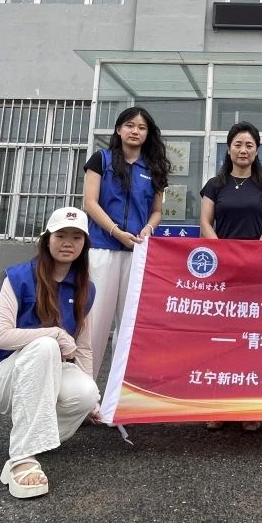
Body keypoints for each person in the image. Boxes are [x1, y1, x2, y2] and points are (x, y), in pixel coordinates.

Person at [0, 206, 101, 499]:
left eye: (76, 237)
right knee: (45, 345)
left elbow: (83, 347)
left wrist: (92, 404)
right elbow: (0, 337)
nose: (68, 243)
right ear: (47, 239)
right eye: (61, 235)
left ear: (84, 245)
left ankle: (29, 441)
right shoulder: (17, 277)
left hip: (47, 371)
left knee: (86, 393)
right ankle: (22, 459)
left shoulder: (86, 289)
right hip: (1, 376)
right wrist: (54, 333)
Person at [199, 121, 262, 433]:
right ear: (229, 148)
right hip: (223, 271)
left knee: (253, 339)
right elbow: (205, 223)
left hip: (257, 271)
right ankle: (218, 405)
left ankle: (250, 406)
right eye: (238, 144)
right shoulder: (215, 185)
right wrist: (223, 254)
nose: (243, 150)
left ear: (256, 150)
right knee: (221, 339)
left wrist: (257, 253)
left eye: (249, 145)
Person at [82, 106, 170, 378]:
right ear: (119, 130)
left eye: (141, 128)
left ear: (148, 134)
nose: (135, 131)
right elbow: (90, 203)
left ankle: (121, 392)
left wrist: (148, 229)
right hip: (102, 249)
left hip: (137, 254)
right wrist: (116, 231)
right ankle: (84, 391)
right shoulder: (101, 159)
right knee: (95, 322)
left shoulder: (154, 168)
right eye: (130, 126)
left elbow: (157, 211)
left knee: (129, 324)